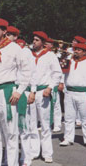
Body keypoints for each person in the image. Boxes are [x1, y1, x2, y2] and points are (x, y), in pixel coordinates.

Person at [0, 18, 31, 166]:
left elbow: (26, 70)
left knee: (10, 133)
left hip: (7, 91)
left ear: (4, 31)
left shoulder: (14, 48)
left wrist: (20, 90)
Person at [22, 31, 62, 165]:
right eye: (33, 39)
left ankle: (47, 153)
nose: (34, 42)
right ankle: (34, 151)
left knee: (45, 123)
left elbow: (57, 74)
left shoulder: (50, 56)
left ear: (44, 43)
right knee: (31, 123)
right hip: (31, 92)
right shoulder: (28, 55)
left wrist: (50, 87)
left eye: (37, 40)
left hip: (43, 91)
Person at [60, 43, 86, 149]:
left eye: (79, 50)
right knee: (69, 117)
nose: (76, 51)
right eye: (75, 49)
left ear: (84, 51)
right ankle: (68, 138)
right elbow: (63, 74)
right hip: (70, 92)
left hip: (84, 93)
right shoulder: (69, 61)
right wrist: (63, 86)